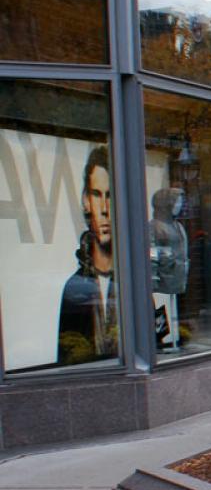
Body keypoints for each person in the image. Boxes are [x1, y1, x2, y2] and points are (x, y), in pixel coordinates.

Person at [58, 145, 118, 365]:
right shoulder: (74, 287)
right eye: (97, 194)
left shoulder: (133, 284)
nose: (104, 209)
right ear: (86, 201)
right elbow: (67, 359)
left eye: (111, 196)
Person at [149, 186, 188, 350]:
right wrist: (153, 276)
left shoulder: (178, 226)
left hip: (176, 275)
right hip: (162, 275)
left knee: (173, 309)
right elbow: (151, 250)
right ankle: (162, 339)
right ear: (166, 204)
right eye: (176, 202)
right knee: (160, 308)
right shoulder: (154, 226)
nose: (179, 206)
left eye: (180, 202)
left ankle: (174, 338)